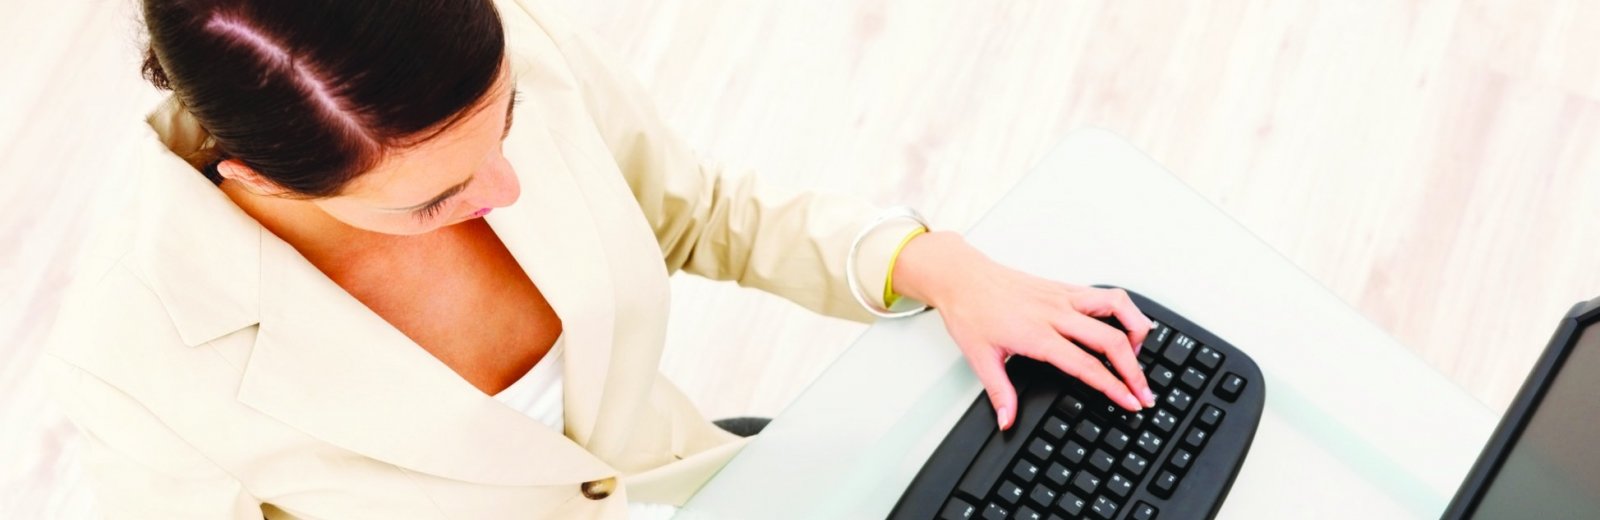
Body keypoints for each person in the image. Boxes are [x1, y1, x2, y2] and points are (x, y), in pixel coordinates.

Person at [42, 0, 1158, 517]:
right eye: (436, 201)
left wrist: (937, 263)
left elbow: (697, 211)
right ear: (265, 189)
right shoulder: (138, 366)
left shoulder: (498, 45)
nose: (506, 195)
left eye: (509, 121)